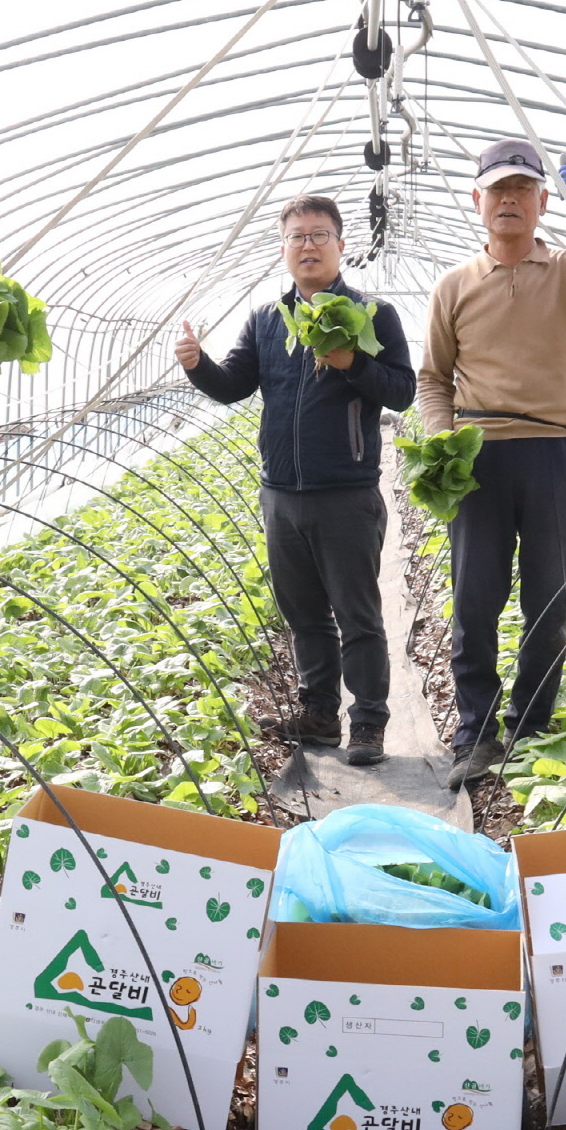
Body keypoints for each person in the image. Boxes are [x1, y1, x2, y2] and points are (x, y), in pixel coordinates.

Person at [418, 138, 566, 791]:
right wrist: (442, 441)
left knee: (549, 599)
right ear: (477, 200)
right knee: (475, 600)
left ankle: (530, 726)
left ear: (544, 201)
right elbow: (433, 378)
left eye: (523, 190)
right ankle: (475, 732)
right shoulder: (454, 286)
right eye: (497, 190)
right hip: (478, 456)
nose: (509, 200)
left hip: (557, 454)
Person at [175, 196, 414, 767]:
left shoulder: (373, 314)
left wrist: (351, 362)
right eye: (298, 236)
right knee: (303, 614)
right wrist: (195, 363)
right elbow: (234, 384)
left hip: (346, 493)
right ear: (283, 248)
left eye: (320, 235)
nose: (309, 245)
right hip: (281, 492)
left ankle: (370, 724)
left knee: (357, 615)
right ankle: (319, 716)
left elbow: (402, 391)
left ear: (340, 244)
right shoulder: (266, 318)